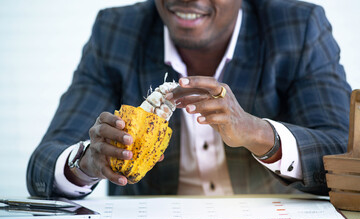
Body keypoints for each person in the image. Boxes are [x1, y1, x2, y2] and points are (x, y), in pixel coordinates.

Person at [26, 0, 351, 198]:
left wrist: (257, 132)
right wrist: (86, 162)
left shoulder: (298, 28)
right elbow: (43, 165)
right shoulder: (116, 31)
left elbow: (344, 155)